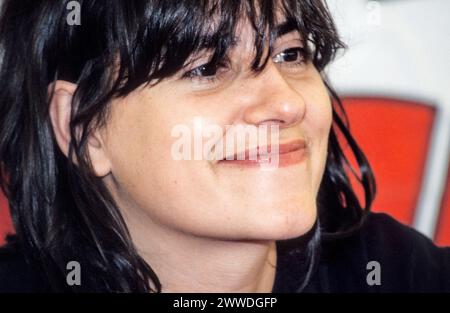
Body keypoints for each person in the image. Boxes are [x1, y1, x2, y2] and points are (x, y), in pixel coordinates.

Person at [0, 0, 448, 293]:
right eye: (208, 67)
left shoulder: (397, 272)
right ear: (84, 127)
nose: (287, 103)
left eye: (290, 54)